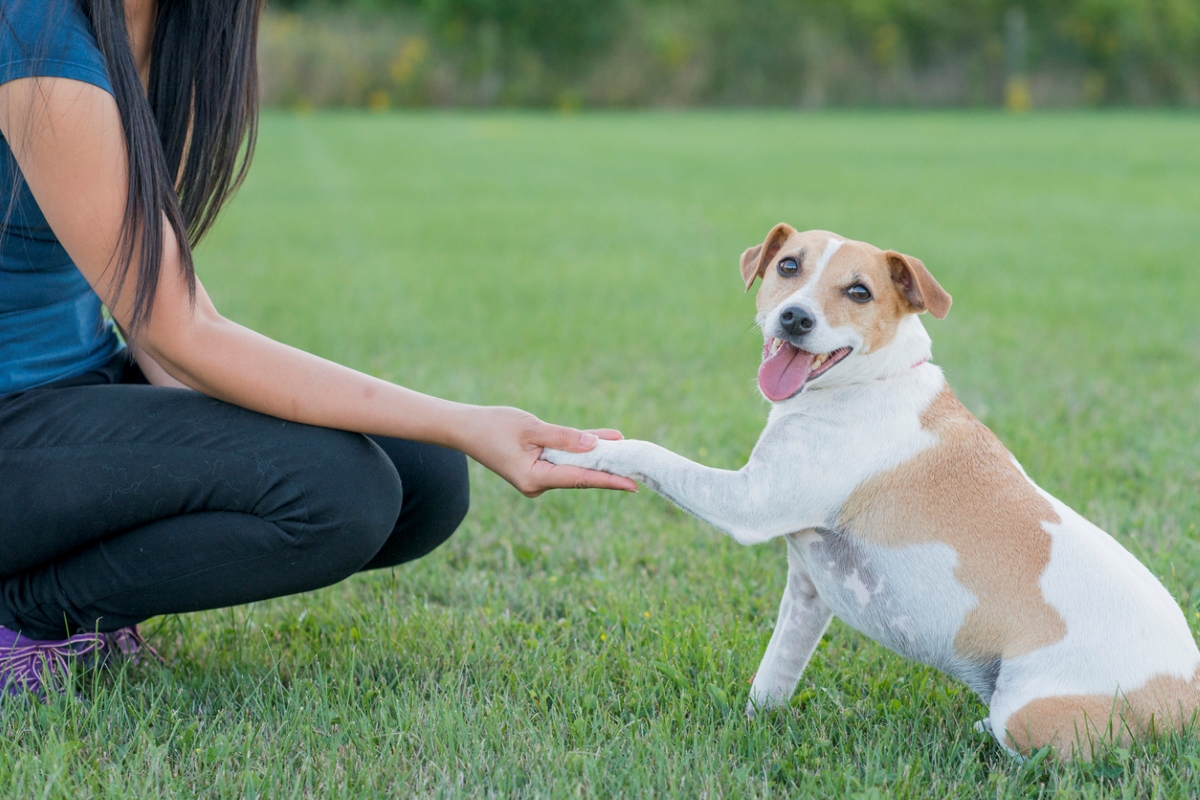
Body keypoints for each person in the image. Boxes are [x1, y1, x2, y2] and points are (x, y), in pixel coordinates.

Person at [0, 0, 635, 698]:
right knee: (339, 494)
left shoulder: (177, 31)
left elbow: (170, 328)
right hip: (14, 426)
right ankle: (25, 619)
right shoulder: (34, 25)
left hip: (76, 392)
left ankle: (76, 594)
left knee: (424, 478)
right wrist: (465, 417)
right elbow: (176, 330)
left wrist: (215, 455)